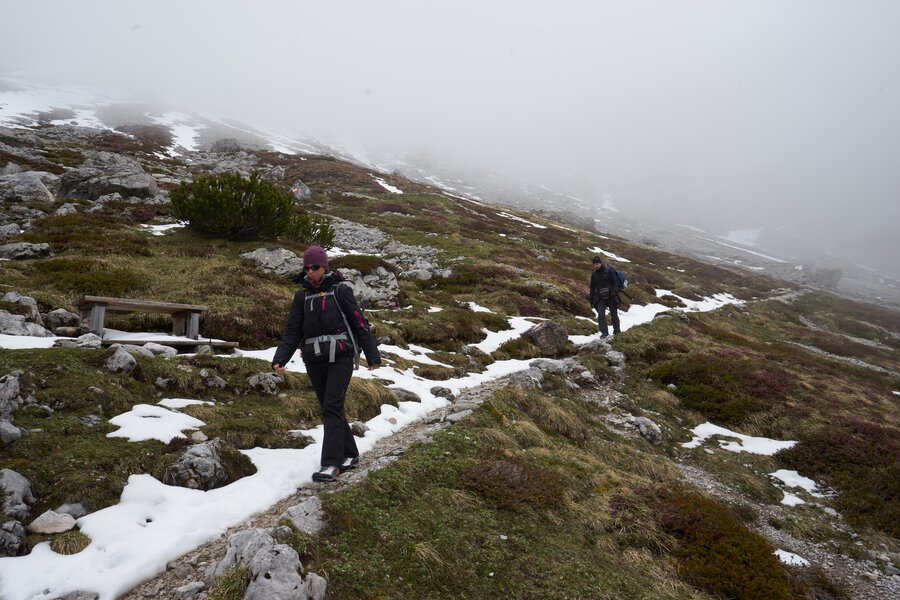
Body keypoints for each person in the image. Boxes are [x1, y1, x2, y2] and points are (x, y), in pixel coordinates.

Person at [272, 245, 381, 482]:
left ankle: (330, 464)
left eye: (315, 267)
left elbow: (359, 324)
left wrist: (372, 355)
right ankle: (350, 453)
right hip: (314, 358)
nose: (310, 271)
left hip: (340, 356)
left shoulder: (341, 291)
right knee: (330, 407)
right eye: (307, 267)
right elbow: (293, 330)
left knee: (331, 406)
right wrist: (281, 357)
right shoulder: (302, 296)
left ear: (325, 266)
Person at [589, 255, 620, 338]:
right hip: (600, 297)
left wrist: (614, 291)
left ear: (600, 263)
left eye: (597, 264)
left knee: (614, 315)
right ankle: (604, 333)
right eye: (594, 264)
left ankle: (617, 331)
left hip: (611, 296)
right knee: (601, 315)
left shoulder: (609, 271)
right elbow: (592, 287)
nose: (596, 266)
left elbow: (615, 282)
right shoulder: (594, 274)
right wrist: (591, 299)